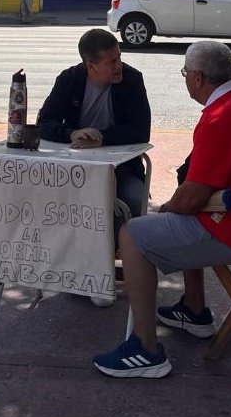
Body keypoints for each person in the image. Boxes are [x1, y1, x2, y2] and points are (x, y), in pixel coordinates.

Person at [93, 41, 231, 378]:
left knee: (133, 234)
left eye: (186, 74)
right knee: (174, 218)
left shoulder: (221, 117)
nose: (186, 79)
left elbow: (190, 200)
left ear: (198, 78)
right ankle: (195, 310)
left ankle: (146, 348)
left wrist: (170, 209)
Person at [37, 28, 151, 302]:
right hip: (75, 170)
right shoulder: (69, 80)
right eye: (111, 62)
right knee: (51, 203)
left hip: (121, 167)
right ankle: (81, 267)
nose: (118, 66)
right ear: (91, 66)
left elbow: (140, 130)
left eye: (119, 57)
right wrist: (71, 134)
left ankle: (100, 268)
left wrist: (102, 139)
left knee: (134, 202)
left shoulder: (132, 80)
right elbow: (44, 122)